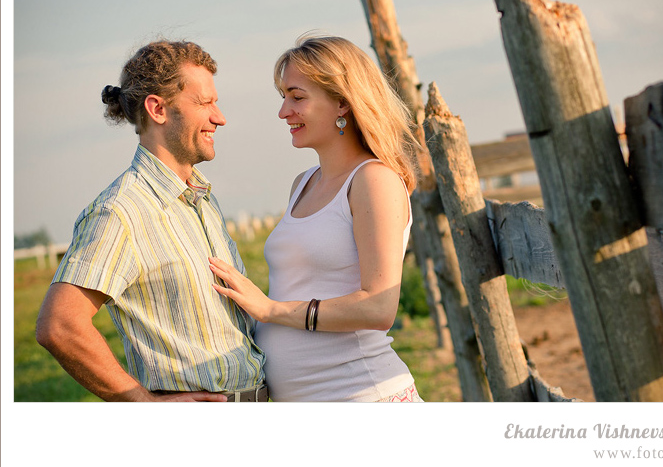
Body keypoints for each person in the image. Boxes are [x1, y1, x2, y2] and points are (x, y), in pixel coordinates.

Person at [36, 40, 266, 402]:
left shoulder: (202, 198)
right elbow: (59, 326)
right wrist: (144, 404)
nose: (219, 117)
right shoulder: (121, 211)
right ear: (158, 109)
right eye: (204, 103)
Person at [209, 34, 424, 402]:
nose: (283, 112)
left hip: (364, 396)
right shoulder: (303, 183)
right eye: (283, 98)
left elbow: (379, 306)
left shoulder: (373, 181)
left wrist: (272, 310)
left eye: (297, 97)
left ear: (342, 101)